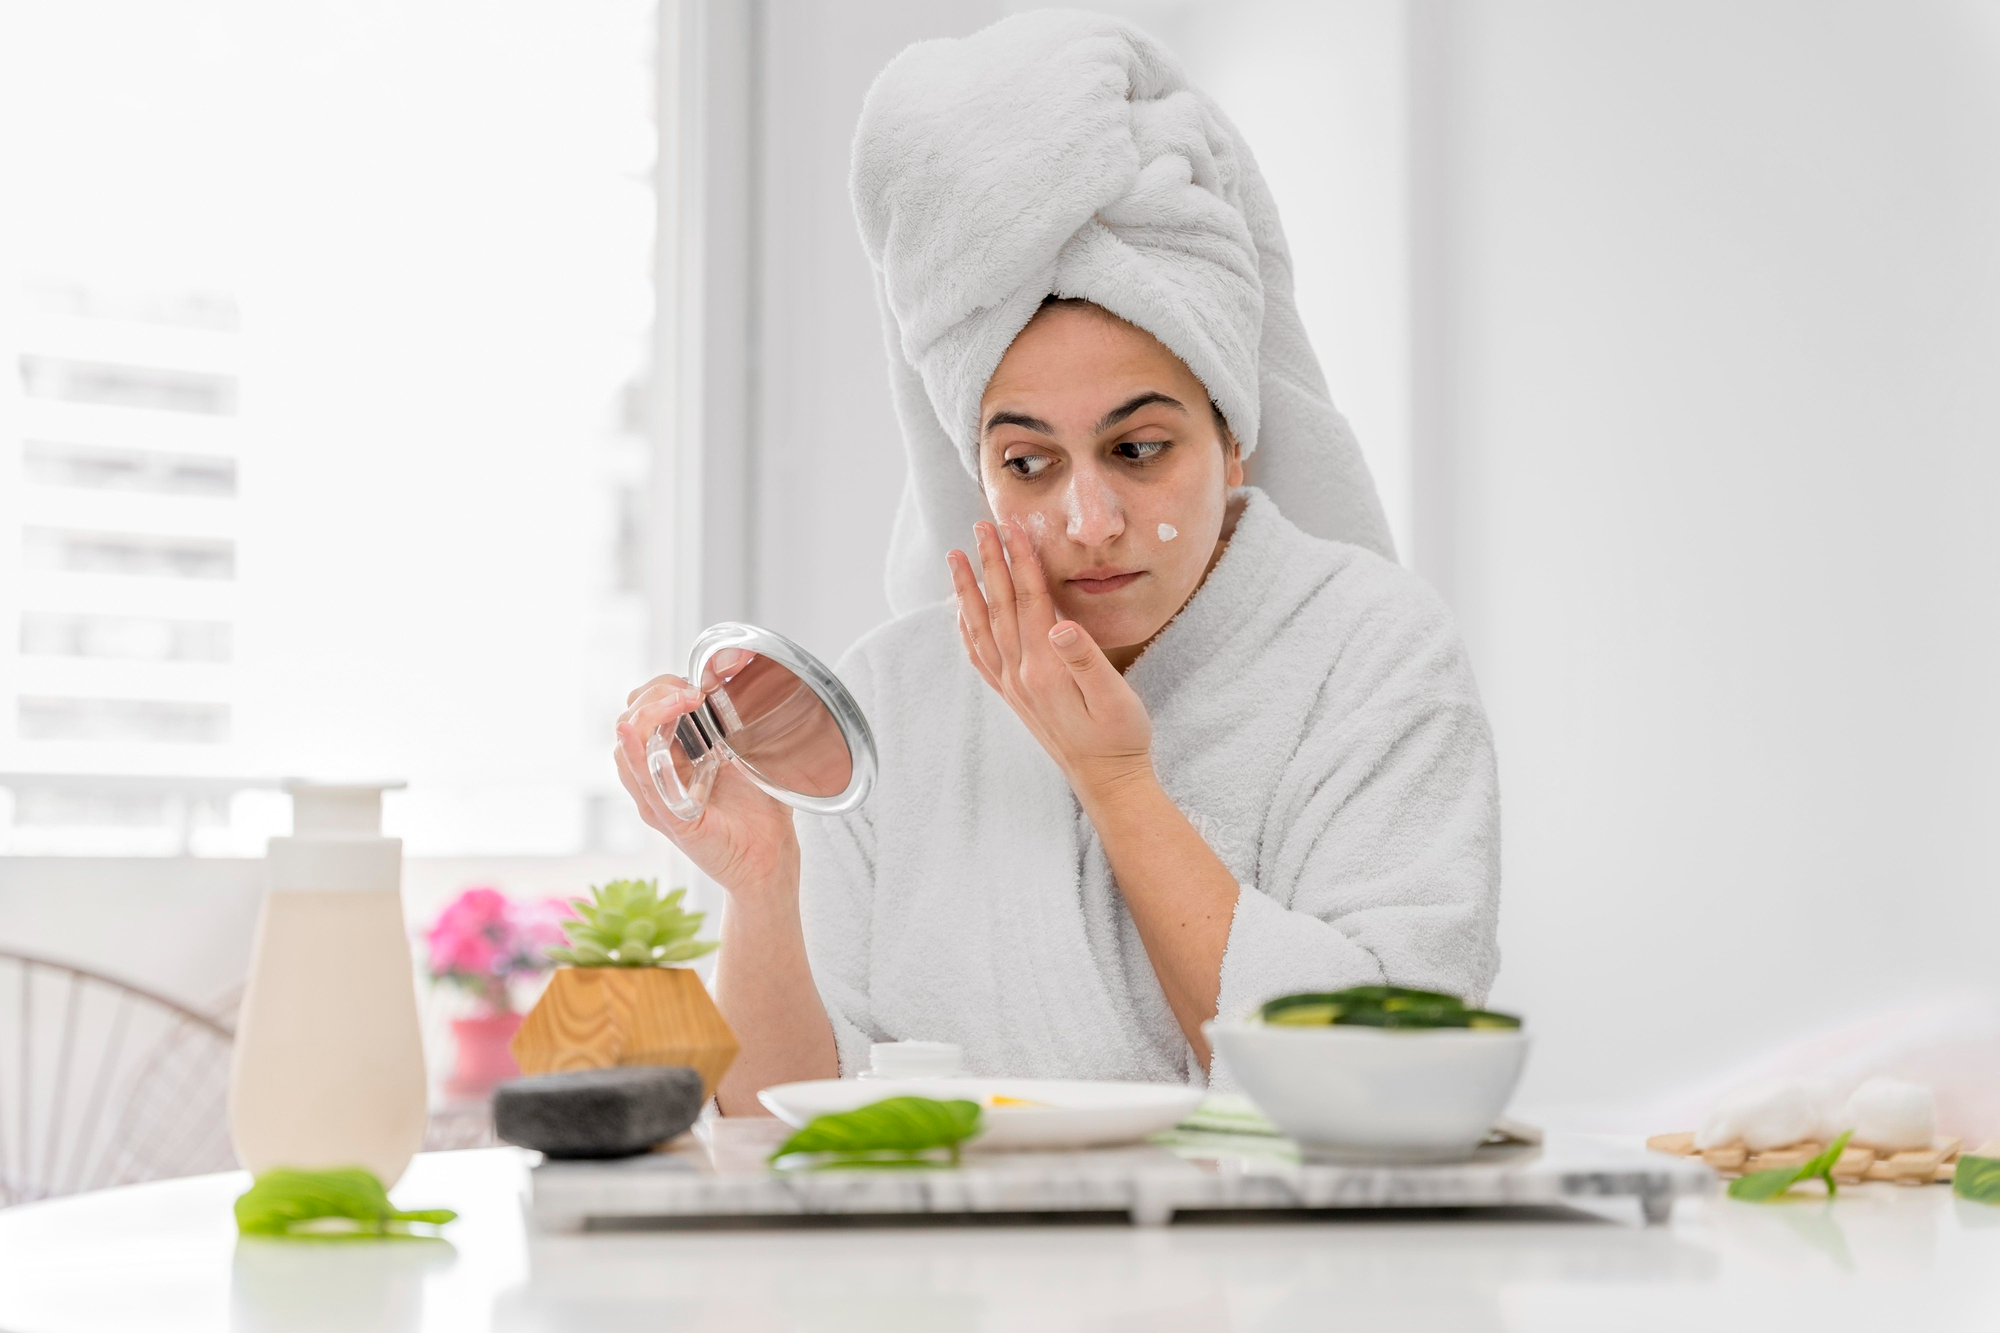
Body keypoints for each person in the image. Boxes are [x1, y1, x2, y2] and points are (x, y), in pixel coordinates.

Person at [613, 12, 1500, 1115]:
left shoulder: (1369, 655)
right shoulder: (893, 697)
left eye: (1138, 449)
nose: (1087, 518)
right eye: (1027, 462)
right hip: (957, 1282)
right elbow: (776, 1125)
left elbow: (1393, 1084)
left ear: (1233, 439)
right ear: (973, 466)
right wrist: (763, 879)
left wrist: (1115, 783)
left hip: (1284, 1282)